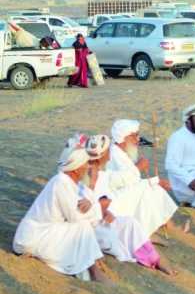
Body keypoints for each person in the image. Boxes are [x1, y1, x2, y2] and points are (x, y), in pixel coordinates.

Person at [13, 136, 107, 282]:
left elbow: (86, 213)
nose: (88, 167)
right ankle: (94, 270)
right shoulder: (61, 182)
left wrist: (90, 205)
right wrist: (92, 207)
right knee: (82, 226)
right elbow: (75, 217)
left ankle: (91, 265)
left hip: (47, 231)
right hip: (32, 238)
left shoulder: (70, 183)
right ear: (76, 169)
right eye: (85, 164)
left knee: (83, 226)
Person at [84, 134, 175, 275]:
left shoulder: (102, 174)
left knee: (130, 223)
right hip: (89, 224)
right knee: (112, 238)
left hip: (104, 216)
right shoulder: (87, 175)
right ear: (102, 154)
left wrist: (105, 210)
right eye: (108, 151)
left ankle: (154, 259)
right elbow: (86, 203)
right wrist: (102, 210)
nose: (110, 154)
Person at [105, 119, 177, 238]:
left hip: (122, 196)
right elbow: (127, 182)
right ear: (123, 138)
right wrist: (139, 168)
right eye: (134, 136)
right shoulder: (115, 155)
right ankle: (146, 231)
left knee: (152, 188)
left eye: (138, 135)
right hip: (113, 203)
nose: (138, 139)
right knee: (149, 188)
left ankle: (162, 223)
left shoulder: (122, 151)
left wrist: (155, 181)